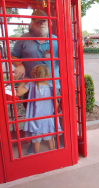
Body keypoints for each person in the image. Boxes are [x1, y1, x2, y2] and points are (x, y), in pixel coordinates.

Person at [11, 9, 60, 154]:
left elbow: (66, 59)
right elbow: (13, 56)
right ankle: (34, 140)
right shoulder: (24, 39)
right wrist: (19, 65)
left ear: (49, 22)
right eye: (39, 21)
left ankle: (51, 137)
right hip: (32, 87)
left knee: (52, 113)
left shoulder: (55, 39)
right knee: (32, 113)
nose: (43, 23)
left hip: (53, 85)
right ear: (32, 23)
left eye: (45, 20)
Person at [16, 65, 61, 153]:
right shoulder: (51, 87)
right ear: (47, 75)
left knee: (36, 140)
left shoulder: (31, 84)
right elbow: (56, 105)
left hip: (35, 119)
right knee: (50, 138)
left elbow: (18, 92)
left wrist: (24, 81)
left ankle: (36, 156)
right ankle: (53, 153)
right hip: (48, 118)